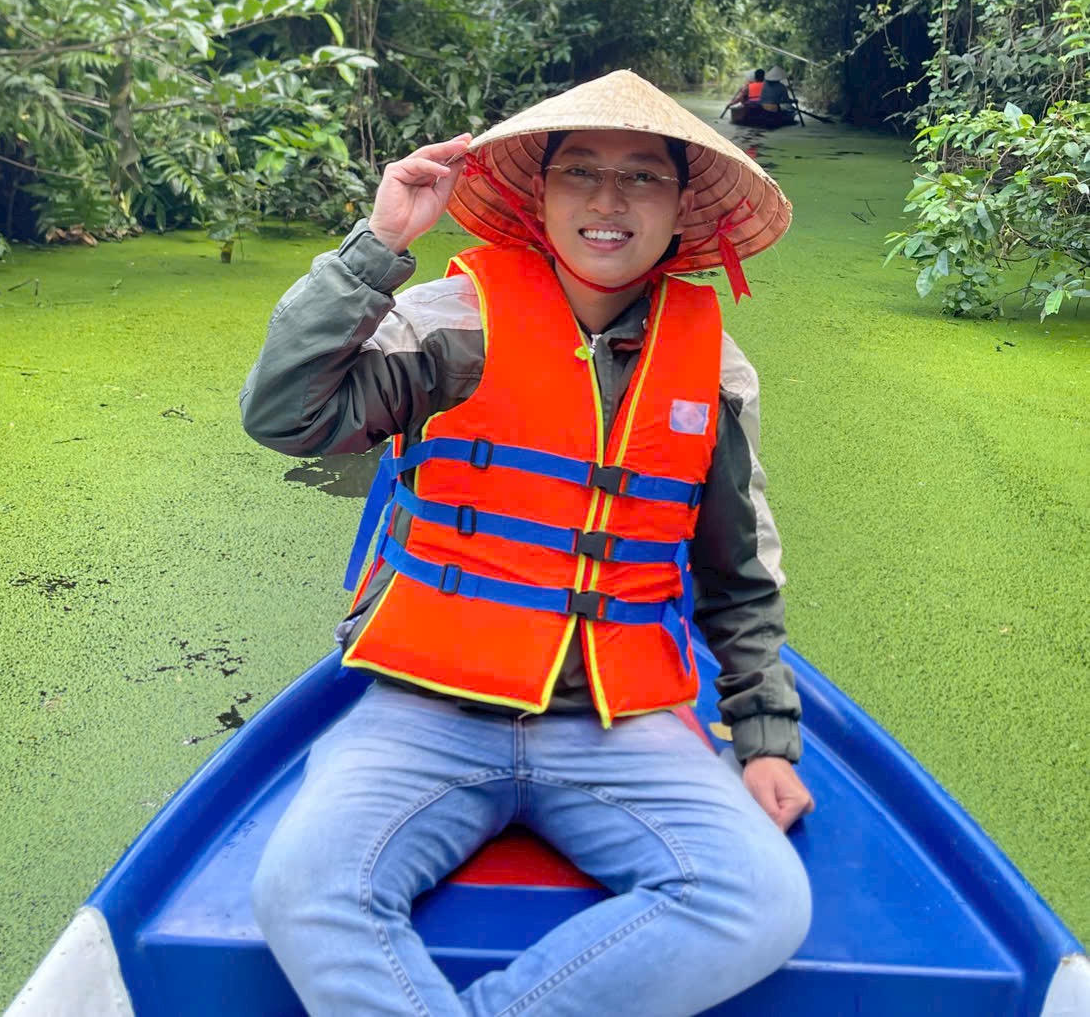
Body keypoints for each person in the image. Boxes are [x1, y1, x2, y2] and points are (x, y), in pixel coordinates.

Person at [240, 69, 813, 1017]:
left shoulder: (715, 369)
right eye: (580, 170)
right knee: (303, 889)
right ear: (539, 195)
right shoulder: (449, 324)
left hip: (615, 722)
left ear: (681, 208)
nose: (607, 200)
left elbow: (739, 576)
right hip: (428, 707)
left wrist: (764, 739)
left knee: (760, 899)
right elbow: (284, 414)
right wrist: (377, 245)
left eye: (642, 177)